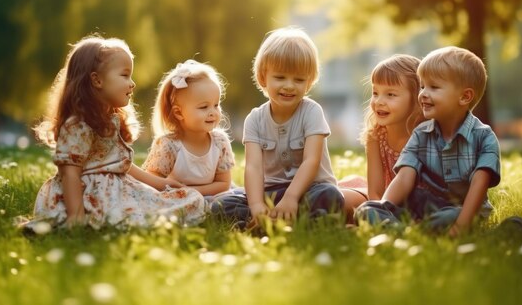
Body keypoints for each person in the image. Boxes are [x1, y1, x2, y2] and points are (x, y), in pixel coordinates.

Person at [27, 35, 204, 230]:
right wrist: (75, 216)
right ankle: (107, 221)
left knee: (190, 199)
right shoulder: (78, 125)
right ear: (97, 80)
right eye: (125, 75)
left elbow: (123, 165)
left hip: (118, 189)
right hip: (90, 195)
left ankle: (131, 217)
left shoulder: (111, 120)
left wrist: (162, 184)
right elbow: (70, 174)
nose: (132, 83)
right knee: (132, 216)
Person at [355, 46, 501, 237]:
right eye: (422, 86)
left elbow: (479, 187)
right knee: (366, 210)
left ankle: (408, 232)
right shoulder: (421, 134)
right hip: (421, 207)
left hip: (461, 210)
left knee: (448, 216)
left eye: (433, 87)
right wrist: (385, 207)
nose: (423, 93)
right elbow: (404, 177)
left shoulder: (484, 138)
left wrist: (461, 225)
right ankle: (413, 231)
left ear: (464, 96)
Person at [211, 27, 344, 228]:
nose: (289, 85)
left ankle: (285, 221)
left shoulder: (312, 111)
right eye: (280, 77)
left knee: (330, 196)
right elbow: (254, 167)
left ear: (308, 83)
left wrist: (291, 197)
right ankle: (263, 219)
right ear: (264, 78)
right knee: (221, 204)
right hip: (271, 191)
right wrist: (256, 205)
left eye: (299, 79)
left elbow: (312, 160)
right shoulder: (254, 119)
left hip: (309, 189)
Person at [339, 54, 424, 222]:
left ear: (416, 98)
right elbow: (375, 192)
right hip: (381, 201)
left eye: (390, 94)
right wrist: (378, 216)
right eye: (375, 92)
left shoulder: (426, 136)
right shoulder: (376, 136)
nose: (379, 101)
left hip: (417, 205)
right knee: (336, 200)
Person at [142, 60, 235, 199]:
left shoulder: (219, 142)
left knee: (232, 200)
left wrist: (190, 191)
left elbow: (223, 184)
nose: (213, 112)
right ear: (179, 113)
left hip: (213, 196)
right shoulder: (169, 145)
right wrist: (181, 194)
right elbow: (153, 183)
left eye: (216, 105)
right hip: (180, 197)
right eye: (204, 107)